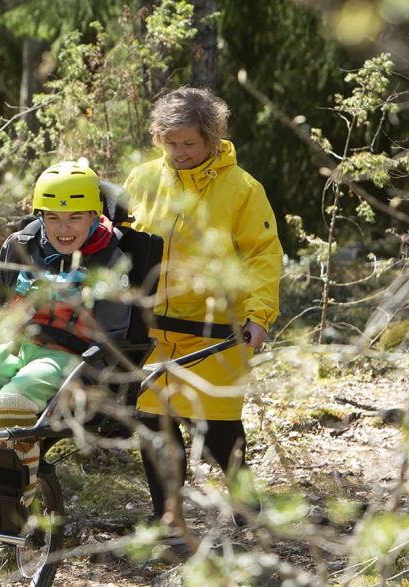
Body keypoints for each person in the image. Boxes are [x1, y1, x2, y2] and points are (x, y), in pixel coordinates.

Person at [122, 87, 283, 527]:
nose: (179, 153)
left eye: (189, 143)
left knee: (217, 432)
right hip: (154, 331)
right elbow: (120, 242)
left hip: (217, 332)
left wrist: (259, 315)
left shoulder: (242, 189)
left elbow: (262, 254)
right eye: (170, 143)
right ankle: (167, 519)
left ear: (212, 138)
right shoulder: (141, 180)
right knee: (153, 423)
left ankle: (248, 510)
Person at [0, 161, 132, 508]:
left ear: (94, 217)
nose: (64, 228)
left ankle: (17, 485)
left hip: (70, 357)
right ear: (41, 216)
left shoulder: (108, 258)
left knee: (13, 399)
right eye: (54, 218)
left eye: (76, 217)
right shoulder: (22, 244)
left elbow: (112, 332)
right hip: (17, 345)